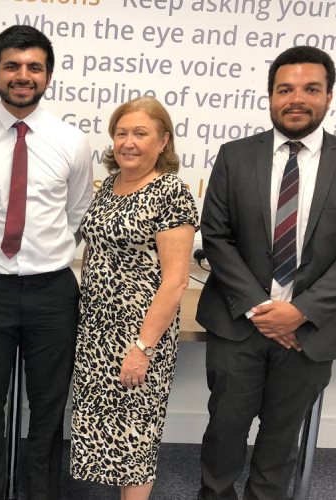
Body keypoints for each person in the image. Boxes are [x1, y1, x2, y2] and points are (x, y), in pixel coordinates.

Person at [197, 46, 336, 500]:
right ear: (270, 97)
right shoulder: (234, 156)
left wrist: (299, 311)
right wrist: (262, 310)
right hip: (238, 322)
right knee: (224, 432)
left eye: (310, 89)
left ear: (329, 96)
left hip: (311, 332)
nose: (296, 99)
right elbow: (217, 237)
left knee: (281, 440)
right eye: (285, 89)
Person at [0, 25, 93, 499]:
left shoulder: (72, 142)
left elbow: (77, 215)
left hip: (53, 292)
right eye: (12, 66)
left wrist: (44, 256)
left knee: (49, 407)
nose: (23, 75)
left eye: (34, 67)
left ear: (48, 76)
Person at [69, 97, 198, 498]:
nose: (128, 142)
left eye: (140, 133)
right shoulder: (109, 186)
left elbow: (176, 282)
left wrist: (142, 347)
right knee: (99, 428)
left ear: (162, 141)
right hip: (95, 330)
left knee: (134, 437)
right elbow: (96, 249)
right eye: (121, 132)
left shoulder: (171, 193)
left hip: (139, 334)